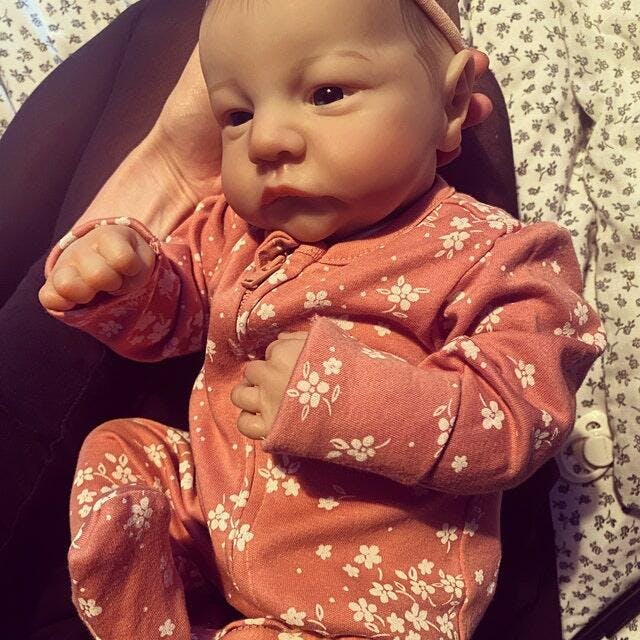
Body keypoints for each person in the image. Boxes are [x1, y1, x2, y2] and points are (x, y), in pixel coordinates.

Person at [37, 1, 603, 639]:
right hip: (216, 520)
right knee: (123, 452)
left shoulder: (496, 254)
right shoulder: (235, 231)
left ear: (451, 104)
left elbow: (520, 416)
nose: (266, 141)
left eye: (327, 94)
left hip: (366, 602)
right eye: (237, 115)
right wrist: (124, 278)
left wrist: (336, 397)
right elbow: (173, 320)